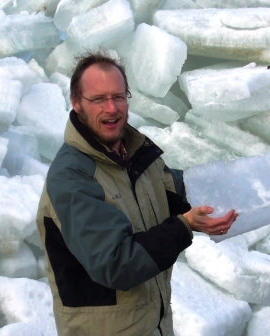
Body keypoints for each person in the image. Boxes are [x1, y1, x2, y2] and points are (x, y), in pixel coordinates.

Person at [36, 50, 238, 336]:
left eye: (118, 96)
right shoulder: (72, 177)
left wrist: (231, 187)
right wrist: (185, 226)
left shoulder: (134, 155)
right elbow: (117, 263)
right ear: (77, 104)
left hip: (150, 324)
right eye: (98, 99)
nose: (111, 108)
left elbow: (172, 190)